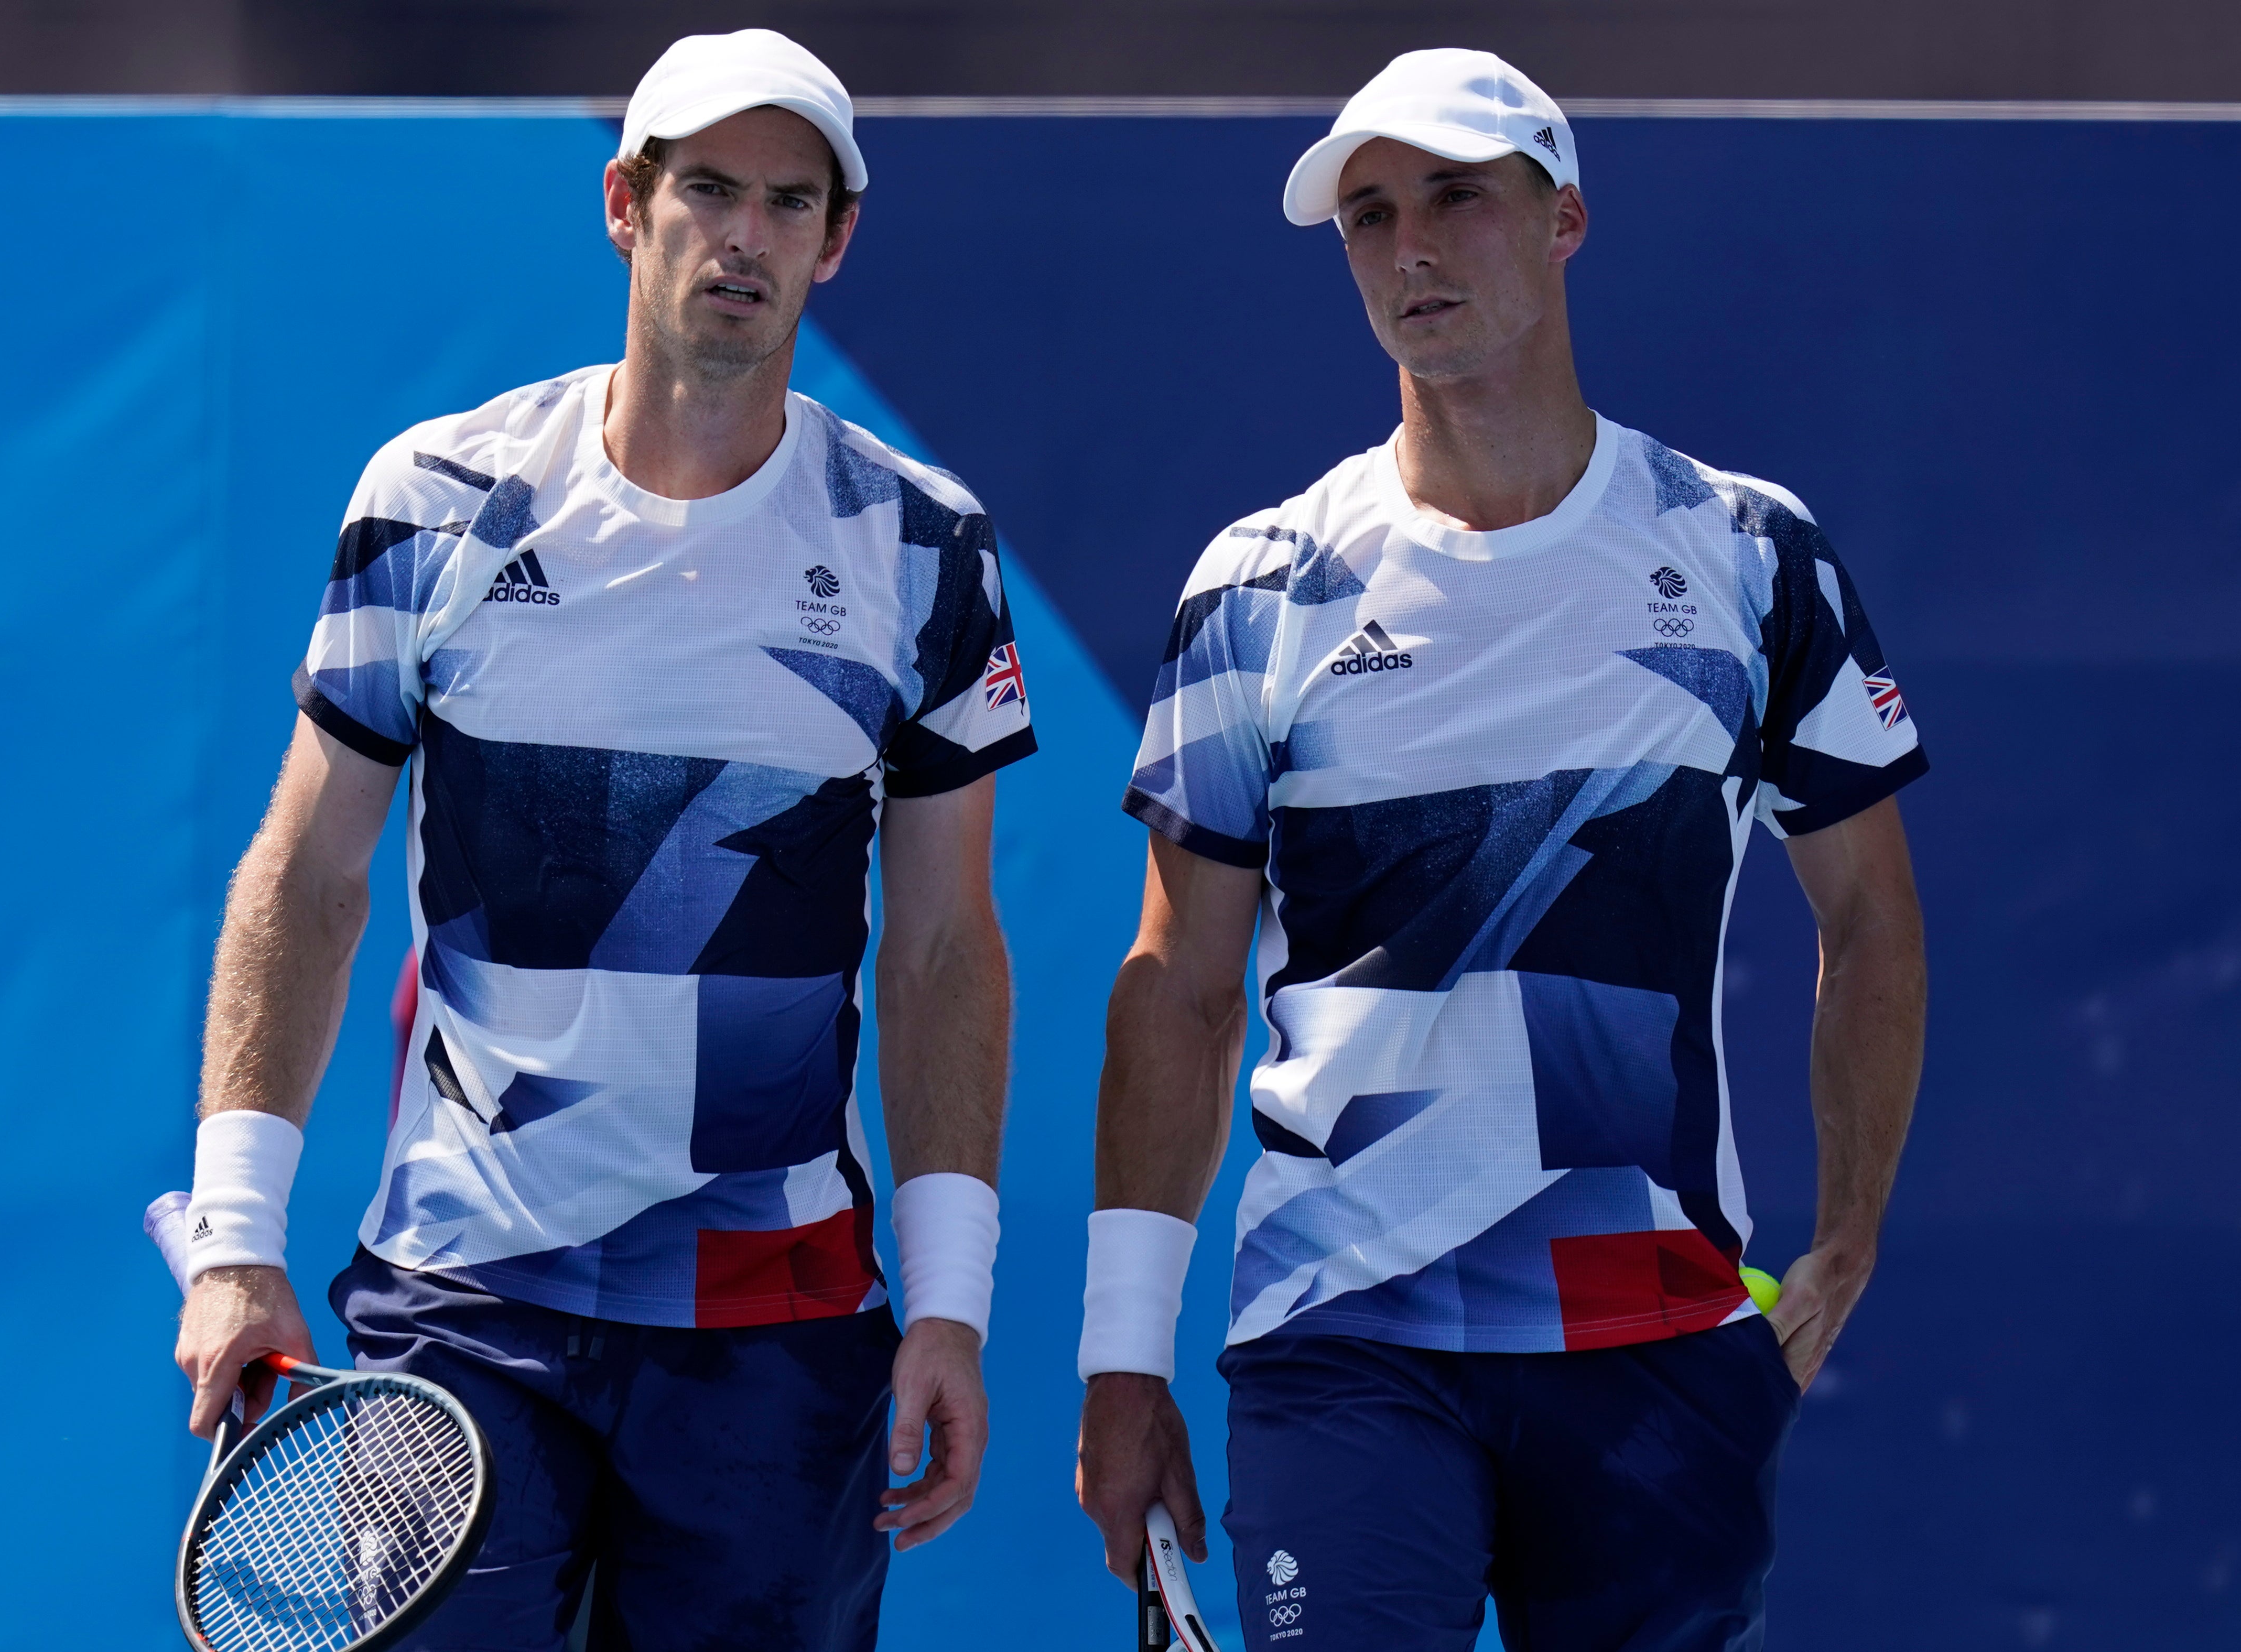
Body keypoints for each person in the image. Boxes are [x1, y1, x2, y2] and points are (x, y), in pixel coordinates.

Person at [171, 29, 1036, 1651]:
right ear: (626, 206)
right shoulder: (434, 500)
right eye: (708, 189)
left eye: (791, 204)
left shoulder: (927, 548)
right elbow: (308, 873)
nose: (747, 236)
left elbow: (941, 948)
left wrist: (955, 1304)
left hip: (780, 1330)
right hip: (467, 1307)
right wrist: (233, 1235)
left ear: (835, 242)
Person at [1073, 48, 1927, 1650]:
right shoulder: (1262, 583)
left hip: (1659, 1343)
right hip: (1342, 1338)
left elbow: (1869, 915)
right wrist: (1123, 1360)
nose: (1409, 248)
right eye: (1371, 215)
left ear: (1565, 221)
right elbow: (1177, 985)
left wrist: (1851, 1238)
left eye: (1457, 198)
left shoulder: (1746, 555)